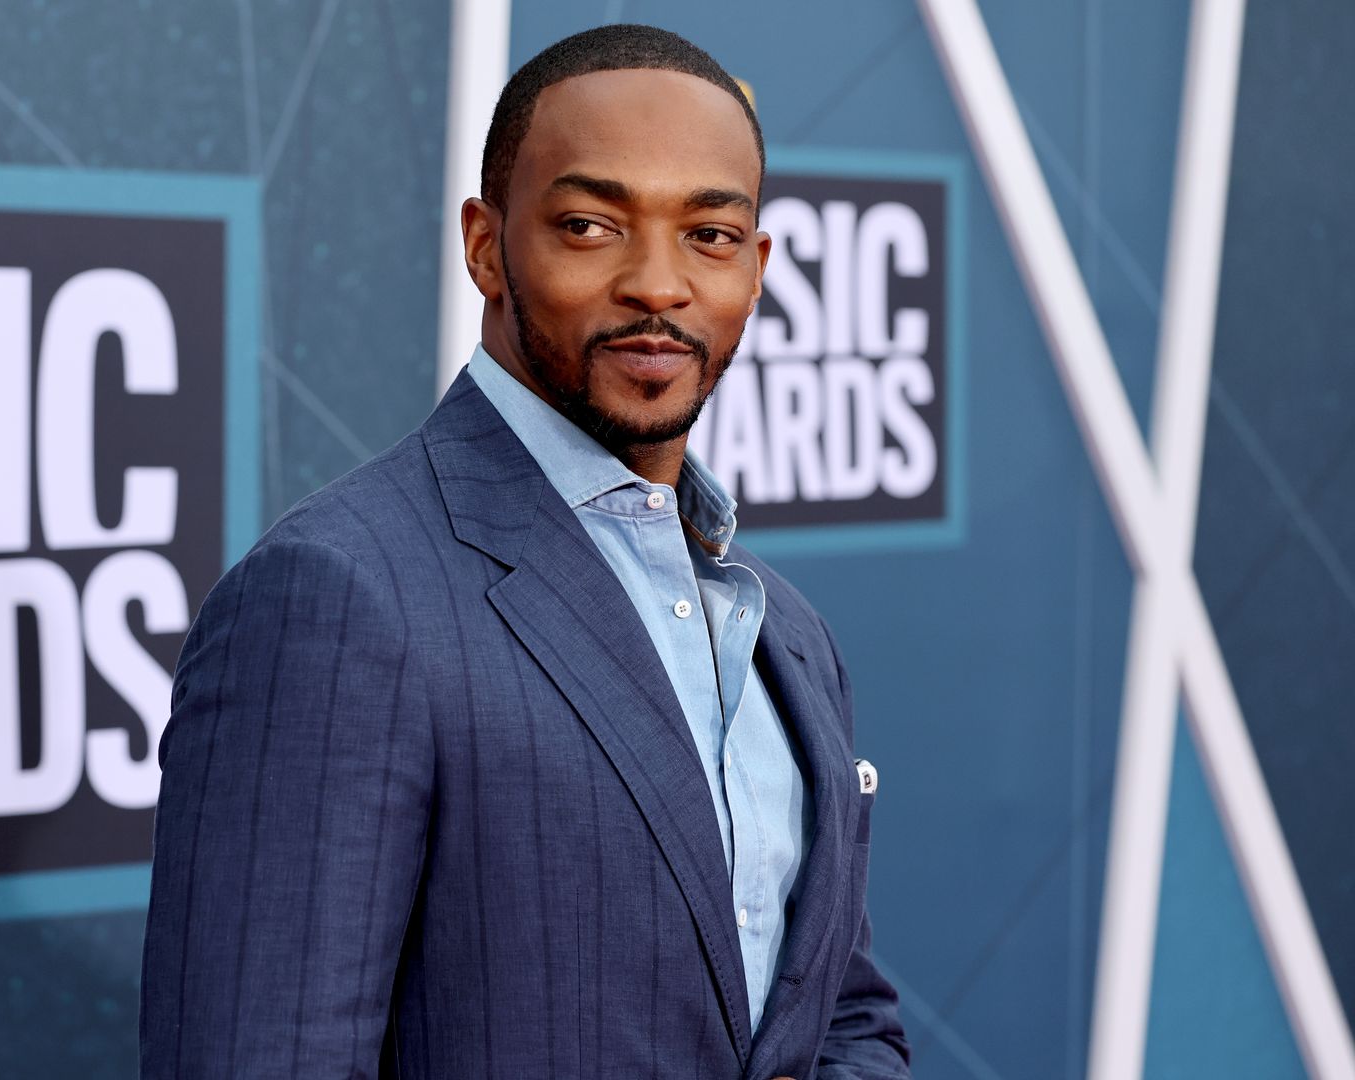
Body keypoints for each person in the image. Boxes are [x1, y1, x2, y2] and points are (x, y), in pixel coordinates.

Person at [141, 23, 910, 1080]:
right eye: (592, 225)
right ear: (486, 246)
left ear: (759, 267)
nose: (658, 283)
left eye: (710, 236)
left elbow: (840, 1025)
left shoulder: (786, 633)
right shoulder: (338, 599)